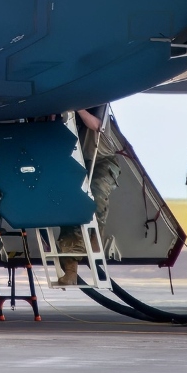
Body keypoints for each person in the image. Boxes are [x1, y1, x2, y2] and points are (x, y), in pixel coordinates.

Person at [56, 105, 121, 286]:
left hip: (101, 160)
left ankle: (94, 239)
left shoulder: (99, 104)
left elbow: (95, 124)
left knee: (96, 196)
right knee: (69, 212)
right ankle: (70, 271)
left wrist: (77, 108)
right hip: (76, 162)